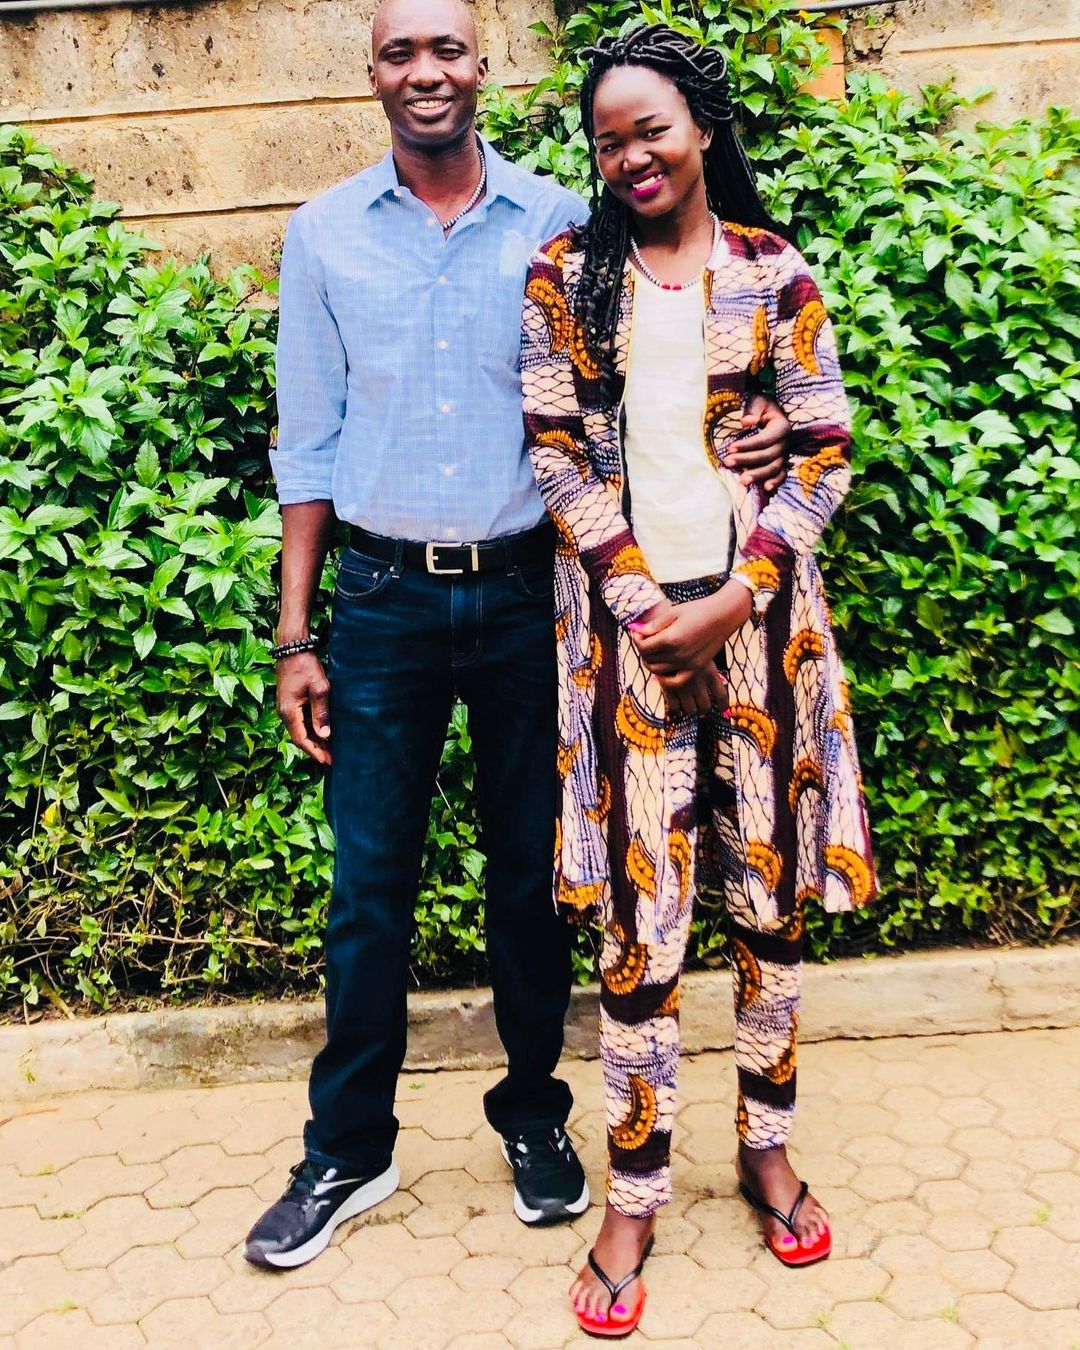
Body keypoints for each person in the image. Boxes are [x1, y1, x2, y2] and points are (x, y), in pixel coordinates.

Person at [245, 0, 792, 1272]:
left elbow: (675, 341)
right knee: (367, 887)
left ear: (483, 67)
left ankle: (535, 1114)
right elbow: (305, 444)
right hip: (382, 599)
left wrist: (761, 415)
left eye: (447, 48)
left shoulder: (562, 223)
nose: (425, 72)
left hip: (528, 599)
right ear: (372, 75)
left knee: (535, 879)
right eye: (400, 52)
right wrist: (295, 635)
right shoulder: (323, 234)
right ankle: (349, 1147)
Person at [520, 24, 877, 1337]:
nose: (632, 156)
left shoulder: (776, 273)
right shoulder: (566, 276)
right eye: (608, 139)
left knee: (769, 910)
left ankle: (765, 1147)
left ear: (705, 129)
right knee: (641, 926)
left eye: (653, 130)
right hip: (626, 646)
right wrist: (645, 608)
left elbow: (825, 449)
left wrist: (733, 596)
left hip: (762, 641)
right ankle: (634, 1193)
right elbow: (555, 453)